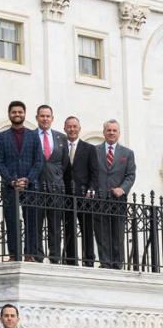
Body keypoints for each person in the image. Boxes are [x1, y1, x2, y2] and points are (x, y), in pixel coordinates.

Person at [0, 101, 44, 262]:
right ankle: (13, 255)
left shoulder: (33, 135)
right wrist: (11, 181)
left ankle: (29, 254)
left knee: (31, 220)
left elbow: (38, 161)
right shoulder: (2, 136)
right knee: (11, 221)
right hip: (10, 187)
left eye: (20, 112)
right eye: (14, 112)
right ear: (9, 114)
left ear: (24, 114)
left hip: (30, 186)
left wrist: (28, 179)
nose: (17, 114)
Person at [94, 119, 136, 269]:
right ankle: (105, 263)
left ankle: (117, 264)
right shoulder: (95, 151)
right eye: (109, 130)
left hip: (118, 200)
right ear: (104, 132)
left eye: (114, 130)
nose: (111, 133)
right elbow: (91, 173)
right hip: (99, 199)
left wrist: (122, 189)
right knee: (101, 234)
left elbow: (131, 175)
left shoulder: (127, 153)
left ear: (119, 133)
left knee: (118, 234)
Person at [29, 105, 68, 263]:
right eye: (42, 116)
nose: (45, 119)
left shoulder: (61, 138)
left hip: (56, 187)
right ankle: (38, 255)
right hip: (36, 186)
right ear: (37, 118)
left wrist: (56, 176)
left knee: (55, 225)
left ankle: (55, 257)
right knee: (36, 223)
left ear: (52, 118)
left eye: (48, 116)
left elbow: (64, 163)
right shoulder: (30, 136)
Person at [61, 116, 99, 266]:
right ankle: (71, 260)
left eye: (74, 126)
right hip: (66, 195)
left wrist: (91, 189)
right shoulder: (61, 147)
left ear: (79, 129)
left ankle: (89, 260)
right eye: (69, 127)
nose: (72, 129)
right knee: (68, 228)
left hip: (84, 196)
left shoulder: (89, 148)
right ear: (65, 128)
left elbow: (95, 173)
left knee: (87, 228)